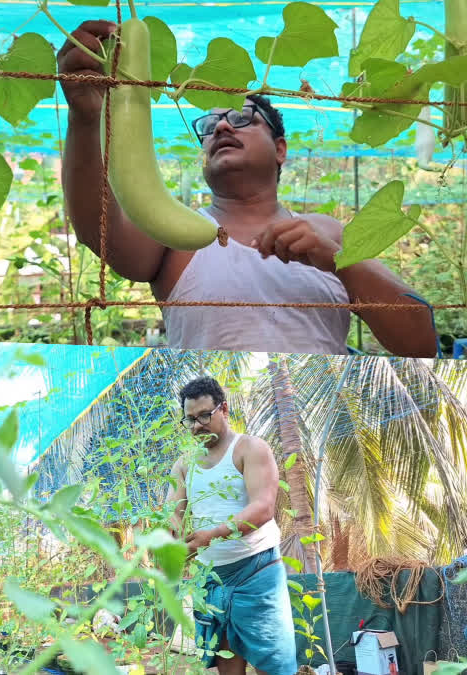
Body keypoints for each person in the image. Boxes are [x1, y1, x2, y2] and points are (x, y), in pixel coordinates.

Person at [57, 21, 436, 357]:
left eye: (240, 118)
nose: (221, 128)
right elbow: (98, 228)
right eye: (210, 124)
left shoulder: (329, 231)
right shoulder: (175, 235)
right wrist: (86, 118)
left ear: (280, 150)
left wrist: (336, 259)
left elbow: (420, 342)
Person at [164, 377, 296, 675]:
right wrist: (173, 537)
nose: (197, 425)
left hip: (257, 571)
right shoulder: (185, 464)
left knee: (272, 664)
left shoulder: (249, 449)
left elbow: (262, 509)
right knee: (226, 662)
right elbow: (172, 513)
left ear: (223, 409)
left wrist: (210, 536)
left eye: (204, 416)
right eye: (190, 419)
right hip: (212, 579)